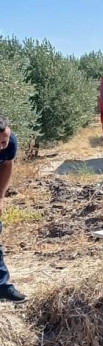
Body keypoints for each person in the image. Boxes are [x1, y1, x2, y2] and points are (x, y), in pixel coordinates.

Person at [0, 116, 27, 303]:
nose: (2, 147)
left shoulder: (10, 143)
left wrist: (0, 196)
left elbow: (7, 166)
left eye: (4, 141)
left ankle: (2, 287)